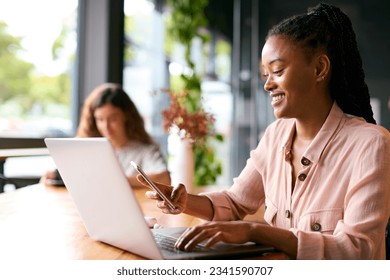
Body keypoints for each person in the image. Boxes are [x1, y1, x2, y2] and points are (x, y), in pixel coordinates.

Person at [138, 3, 390, 259]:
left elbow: (358, 251)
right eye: (265, 75)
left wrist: (255, 232)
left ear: (319, 69)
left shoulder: (371, 144)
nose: (268, 84)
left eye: (278, 71)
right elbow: (236, 202)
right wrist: (184, 201)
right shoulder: (276, 135)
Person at [43, 83, 171, 188]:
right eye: (100, 119)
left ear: (126, 116)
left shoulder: (145, 151)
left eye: (113, 119)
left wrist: (115, 182)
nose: (106, 127)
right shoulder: (87, 149)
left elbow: (164, 179)